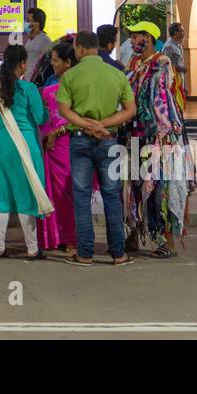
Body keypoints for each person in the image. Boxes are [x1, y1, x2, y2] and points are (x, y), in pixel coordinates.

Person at [54, 31, 138, 266]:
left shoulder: (70, 76)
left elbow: (64, 110)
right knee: (112, 196)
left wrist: (86, 124)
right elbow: (130, 110)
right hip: (109, 140)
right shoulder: (116, 74)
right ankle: (118, 253)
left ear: (79, 49)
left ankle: (85, 253)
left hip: (80, 139)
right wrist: (103, 125)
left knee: (81, 197)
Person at [121, 26, 195, 258]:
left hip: (160, 137)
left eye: (136, 36)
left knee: (162, 188)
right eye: (131, 36)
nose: (132, 40)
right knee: (134, 187)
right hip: (135, 134)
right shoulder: (134, 64)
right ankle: (133, 234)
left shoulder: (161, 62)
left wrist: (163, 132)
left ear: (149, 38)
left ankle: (169, 242)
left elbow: (160, 100)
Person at [0, 45, 52, 259]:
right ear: (22, 63)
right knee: (26, 197)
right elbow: (41, 118)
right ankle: (32, 249)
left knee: (2, 197)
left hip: (0, 144)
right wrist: (48, 112)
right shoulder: (28, 88)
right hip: (23, 143)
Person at [37, 40, 78, 252]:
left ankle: (71, 237)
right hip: (49, 145)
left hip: (67, 143)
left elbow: (80, 117)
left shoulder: (77, 85)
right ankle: (54, 236)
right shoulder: (51, 84)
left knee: (67, 193)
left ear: (68, 63)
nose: (52, 64)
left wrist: (58, 131)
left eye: (55, 61)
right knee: (50, 191)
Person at [20, 7, 52, 81]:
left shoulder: (45, 41)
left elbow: (47, 63)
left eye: (28, 20)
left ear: (37, 23)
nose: (25, 23)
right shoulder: (29, 40)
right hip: (27, 79)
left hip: (37, 82)